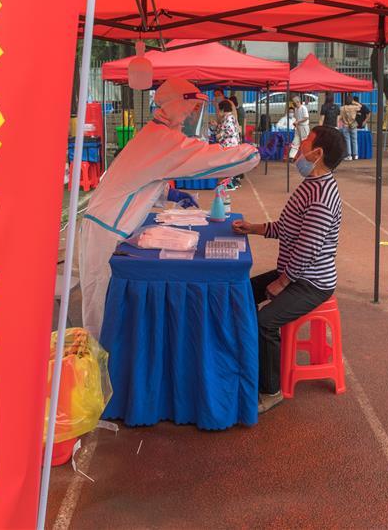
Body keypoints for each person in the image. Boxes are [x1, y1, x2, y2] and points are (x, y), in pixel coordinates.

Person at [79, 78, 261, 338]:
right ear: (175, 103)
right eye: (190, 107)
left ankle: (107, 359)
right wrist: (251, 153)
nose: (192, 114)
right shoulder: (163, 139)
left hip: (108, 225)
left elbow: (142, 178)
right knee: (102, 307)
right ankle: (99, 367)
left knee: (104, 302)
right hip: (107, 231)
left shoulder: (154, 134)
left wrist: (171, 193)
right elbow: (210, 159)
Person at [232, 126, 346, 413]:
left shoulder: (321, 195)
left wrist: (282, 282)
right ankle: (244, 362)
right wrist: (253, 228)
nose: (298, 147)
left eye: (304, 142)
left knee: (265, 322)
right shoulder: (311, 184)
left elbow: (308, 248)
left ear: (317, 154)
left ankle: (271, 391)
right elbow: (287, 228)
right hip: (297, 273)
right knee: (239, 291)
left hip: (311, 283)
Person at [338, 96, 360, 160]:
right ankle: (355, 155)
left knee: (347, 140)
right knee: (354, 140)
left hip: (345, 125)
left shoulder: (342, 108)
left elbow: (340, 117)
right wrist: (354, 102)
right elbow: (360, 106)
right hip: (353, 125)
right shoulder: (354, 107)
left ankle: (349, 155)